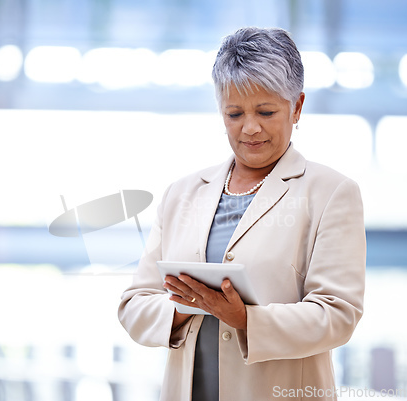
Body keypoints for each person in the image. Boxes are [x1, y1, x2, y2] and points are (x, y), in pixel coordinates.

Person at [118, 27, 366, 401]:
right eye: (234, 113)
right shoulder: (182, 193)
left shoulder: (331, 193)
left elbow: (338, 315)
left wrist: (246, 319)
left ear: (296, 107)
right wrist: (188, 306)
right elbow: (134, 305)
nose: (250, 128)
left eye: (266, 111)